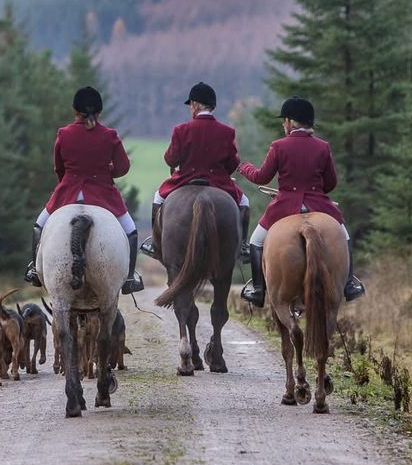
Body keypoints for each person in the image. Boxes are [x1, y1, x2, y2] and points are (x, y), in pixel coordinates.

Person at [236, 96, 365, 307]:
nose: (282, 124)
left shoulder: (278, 146)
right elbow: (331, 183)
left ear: (290, 121)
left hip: (285, 205)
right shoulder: (322, 147)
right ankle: (350, 284)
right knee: (344, 236)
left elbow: (261, 177)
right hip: (319, 204)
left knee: (255, 242)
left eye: (283, 120)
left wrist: (244, 167)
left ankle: (258, 290)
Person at [24, 86, 144, 294]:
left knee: (39, 224)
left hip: (68, 191)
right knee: (131, 230)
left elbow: (58, 167)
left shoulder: (64, 134)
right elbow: (123, 167)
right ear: (99, 111)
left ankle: (35, 269)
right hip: (103, 194)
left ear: (75, 110)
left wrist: (67, 182)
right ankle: (129, 278)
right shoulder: (110, 135)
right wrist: (107, 174)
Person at [139, 82, 250, 263]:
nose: (190, 108)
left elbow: (171, 159)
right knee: (244, 202)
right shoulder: (227, 131)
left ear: (196, 105)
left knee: (158, 198)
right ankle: (242, 246)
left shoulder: (181, 130)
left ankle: (155, 243)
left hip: (185, 180)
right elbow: (232, 163)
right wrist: (223, 173)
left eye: (191, 104)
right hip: (218, 181)